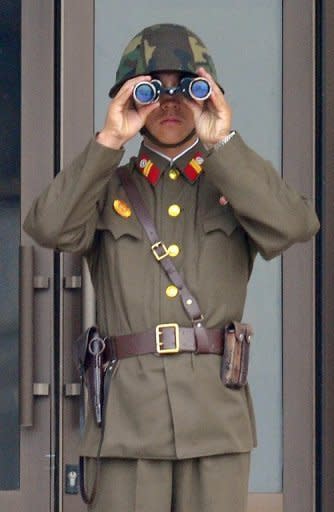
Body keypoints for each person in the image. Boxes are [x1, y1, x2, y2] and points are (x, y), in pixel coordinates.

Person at [24, 23, 319, 512]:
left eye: (187, 89)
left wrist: (223, 142)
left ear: (209, 97)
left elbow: (294, 225)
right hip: (127, 422)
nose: (169, 102)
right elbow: (49, 228)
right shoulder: (108, 186)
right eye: (150, 90)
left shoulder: (231, 183)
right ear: (127, 98)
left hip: (215, 422)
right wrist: (109, 139)